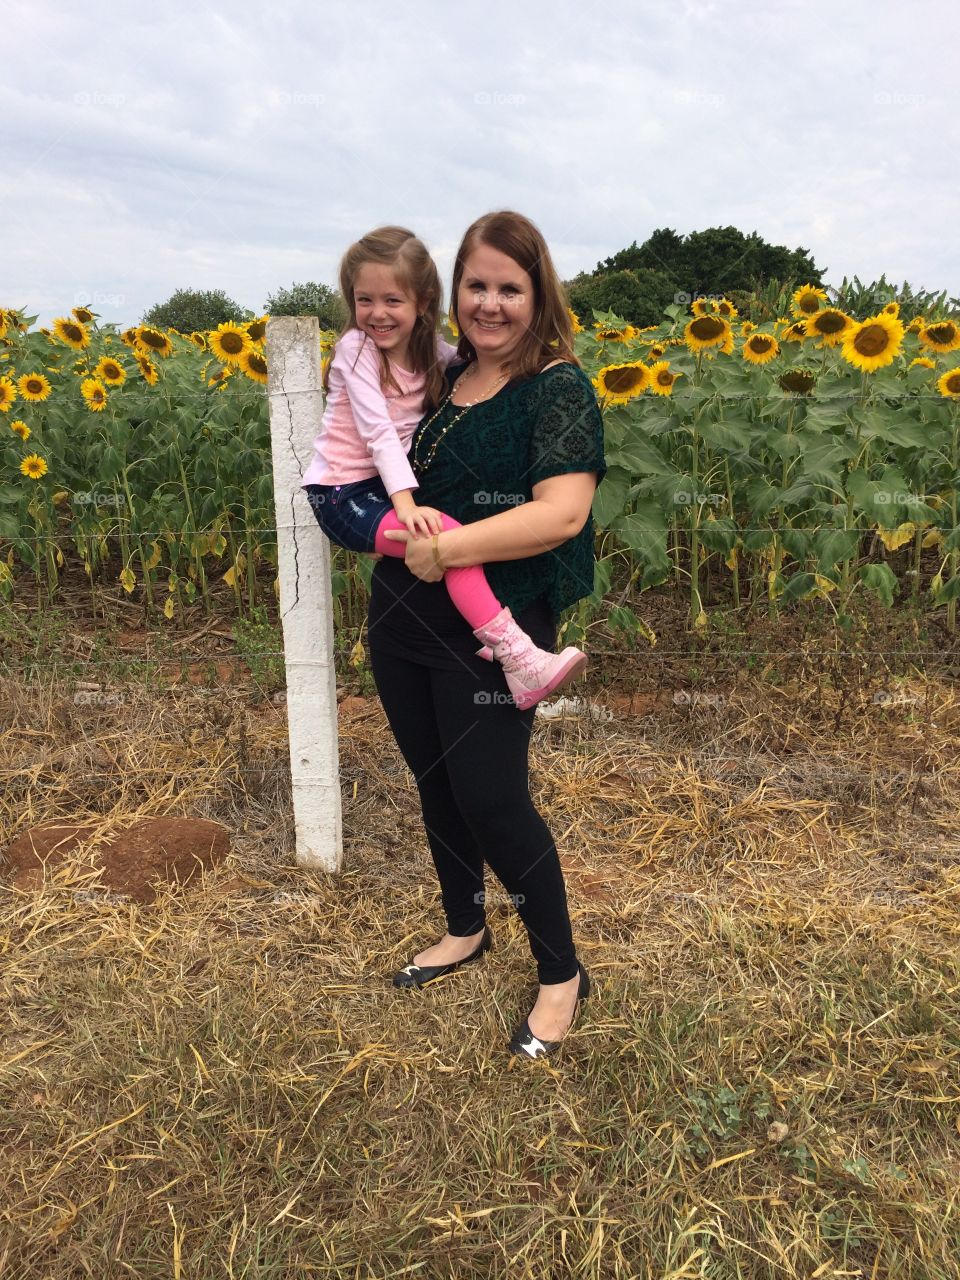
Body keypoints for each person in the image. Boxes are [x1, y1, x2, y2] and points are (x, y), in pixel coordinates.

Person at [367, 211, 607, 1060]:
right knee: (435, 782)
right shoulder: (442, 380)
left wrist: (450, 549)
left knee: (493, 798)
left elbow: (562, 513)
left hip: (492, 630)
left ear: (538, 294)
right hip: (398, 619)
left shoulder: (557, 388)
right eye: (477, 285)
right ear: (454, 291)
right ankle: (465, 927)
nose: (491, 304)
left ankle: (562, 972)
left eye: (510, 287)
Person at [301, 226, 587, 710]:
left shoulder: (436, 353)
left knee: (444, 535)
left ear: (424, 301)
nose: (376, 313)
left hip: (379, 504)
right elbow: (378, 434)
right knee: (445, 530)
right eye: (363, 299)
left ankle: (515, 655)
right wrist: (405, 504)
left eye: (393, 299)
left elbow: (469, 363)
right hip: (341, 495)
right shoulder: (360, 350)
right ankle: (516, 656)